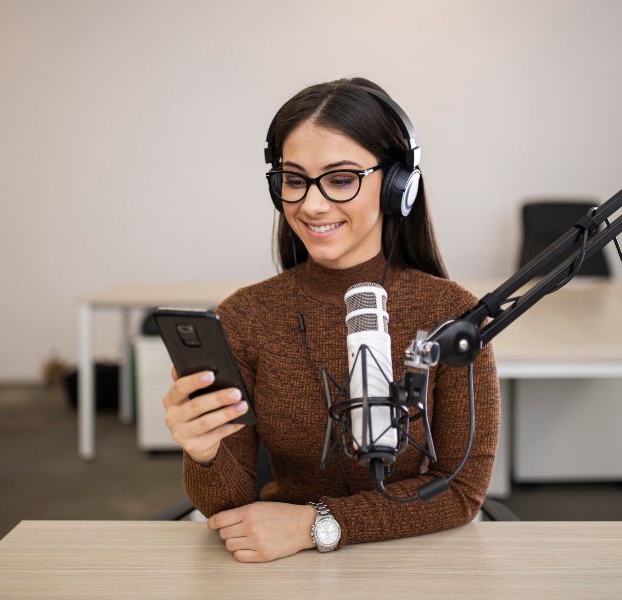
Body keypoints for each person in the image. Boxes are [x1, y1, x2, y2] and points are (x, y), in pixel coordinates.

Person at [162, 77, 500, 563]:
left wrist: (317, 524)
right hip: (285, 568)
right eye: (294, 180)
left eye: (341, 180)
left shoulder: (453, 320)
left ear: (397, 185)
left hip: (414, 559)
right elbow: (230, 510)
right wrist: (203, 452)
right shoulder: (245, 317)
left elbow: (462, 491)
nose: (311, 205)